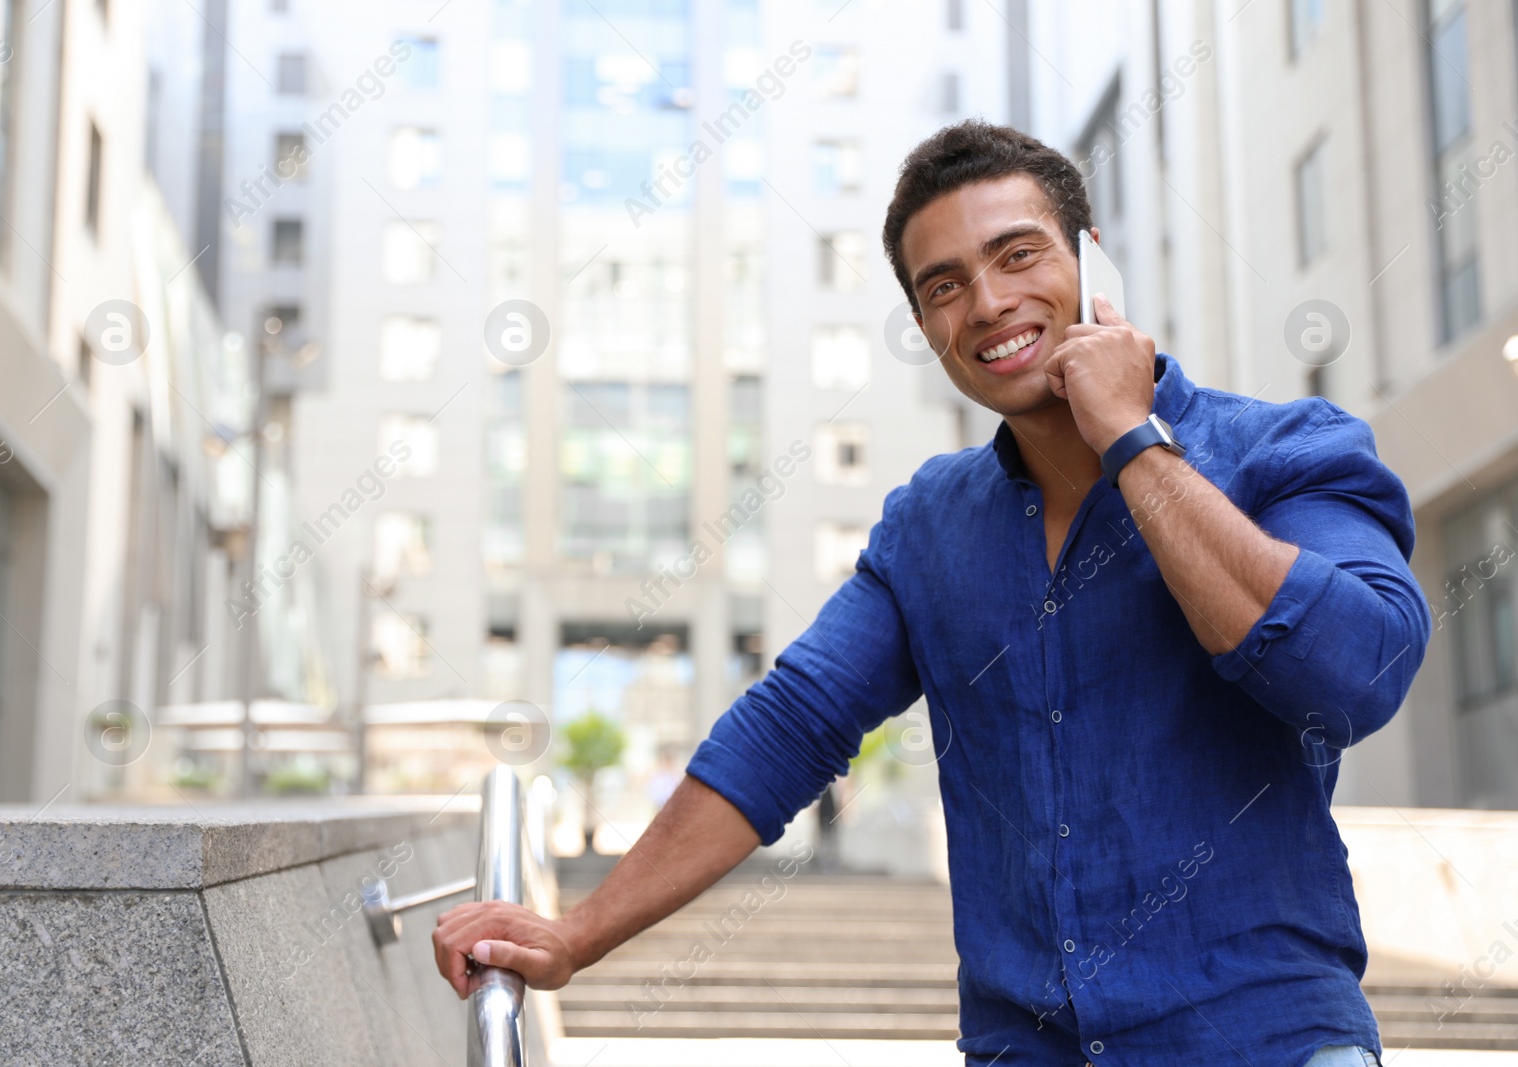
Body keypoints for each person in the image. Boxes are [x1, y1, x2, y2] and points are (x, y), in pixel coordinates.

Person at [433, 121, 1426, 1067]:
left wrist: (1132, 440)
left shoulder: (1287, 451)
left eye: (1018, 254)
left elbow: (1352, 675)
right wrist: (573, 932)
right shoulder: (929, 526)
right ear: (924, 325)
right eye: (943, 285)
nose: (987, 303)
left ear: (1093, 261)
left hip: (1266, 1040)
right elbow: (790, 726)